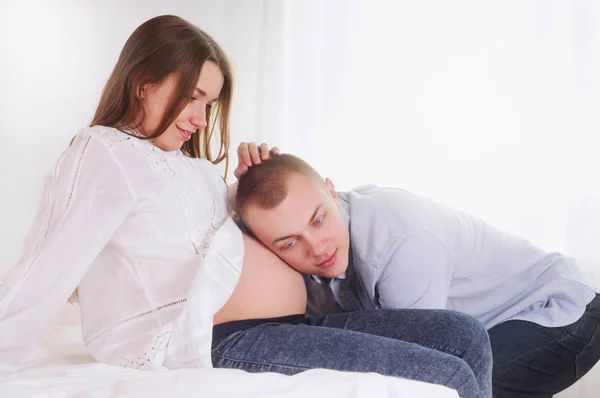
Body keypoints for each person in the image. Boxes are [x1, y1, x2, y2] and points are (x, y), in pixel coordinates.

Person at [0, 15, 492, 398]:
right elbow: (45, 265)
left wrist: (247, 181)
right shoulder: (104, 152)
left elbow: (225, 239)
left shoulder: (188, 166)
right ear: (143, 81)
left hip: (287, 323)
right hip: (223, 340)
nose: (199, 116)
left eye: (208, 103)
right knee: (444, 373)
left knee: (464, 334)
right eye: (193, 96)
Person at [234, 152, 600, 397]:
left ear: (333, 192)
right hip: (481, 327)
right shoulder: (281, 244)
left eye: (318, 220)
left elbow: (416, 367)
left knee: (450, 388)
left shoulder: (401, 241)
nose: (317, 248)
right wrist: (244, 184)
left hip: (560, 314)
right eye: (288, 243)